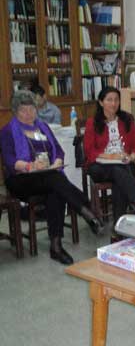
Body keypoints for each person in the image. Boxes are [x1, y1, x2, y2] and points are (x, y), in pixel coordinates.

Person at [0, 90, 103, 265]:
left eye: (31, 109)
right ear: (15, 112)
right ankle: (86, 209)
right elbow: (10, 161)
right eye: (23, 111)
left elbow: (58, 150)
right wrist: (30, 166)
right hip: (20, 179)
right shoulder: (8, 131)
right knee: (54, 180)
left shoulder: (43, 126)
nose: (29, 114)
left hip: (46, 176)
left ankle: (56, 246)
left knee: (55, 188)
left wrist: (57, 161)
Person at [84, 87, 135, 232]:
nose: (113, 103)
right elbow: (89, 150)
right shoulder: (92, 122)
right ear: (101, 102)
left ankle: (118, 228)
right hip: (99, 166)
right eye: (109, 100)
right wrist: (111, 156)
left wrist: (132, 157)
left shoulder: (126, 119)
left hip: (123, 164)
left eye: (116, 100)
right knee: (119, 171)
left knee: (119, 176)